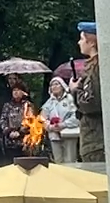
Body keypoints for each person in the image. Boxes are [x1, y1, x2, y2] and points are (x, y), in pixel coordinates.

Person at [74, 22, 104, 163]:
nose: (79, 42)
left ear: (91, 42)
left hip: (96, 140)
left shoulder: (95, 68)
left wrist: (75, 91)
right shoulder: (94, 65)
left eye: (82, 38)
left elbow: (91, 104)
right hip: (95, 139)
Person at [42, 78, 80, 165]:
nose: (54, 87)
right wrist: (49, 126)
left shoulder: (70, 99)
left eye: (56, 84)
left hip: (69, 134)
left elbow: (76, 116)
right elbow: (42, 118)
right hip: (54, 136)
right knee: (58, 162)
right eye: (52, 85)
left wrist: (63, 125)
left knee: (70, 161)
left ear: (62, 86)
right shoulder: (49, 102)